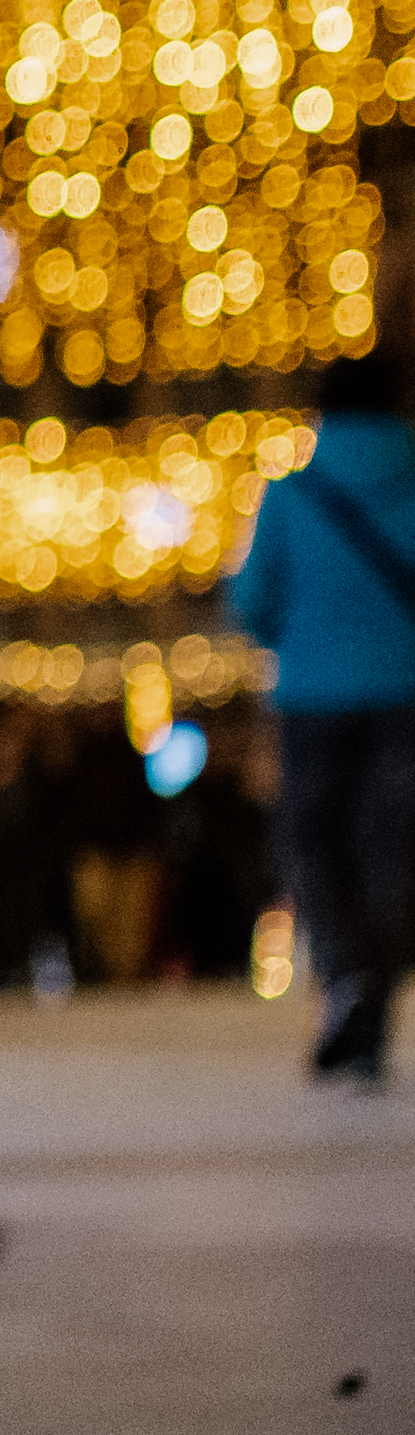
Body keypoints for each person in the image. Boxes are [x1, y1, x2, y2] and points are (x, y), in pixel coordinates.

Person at [226, 345, 415, 1085]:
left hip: (312, 698)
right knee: (392, 849)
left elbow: (251, 602)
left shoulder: (292, 494)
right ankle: (371, 990)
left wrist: (304, 642)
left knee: (311, 841)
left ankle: (346, 975)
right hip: (406, 695)